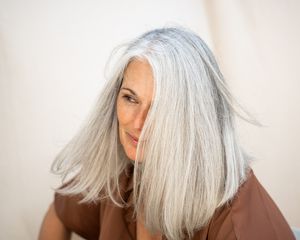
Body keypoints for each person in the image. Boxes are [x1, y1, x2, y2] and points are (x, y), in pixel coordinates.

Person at [39, 27, 295, 240]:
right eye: (130, 98)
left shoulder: (237, 224)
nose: (138, 123)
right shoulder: (124, 173)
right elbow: (60, 211)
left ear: (195, 119)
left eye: (161, 109)